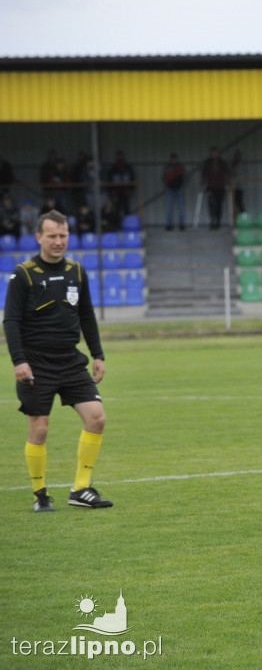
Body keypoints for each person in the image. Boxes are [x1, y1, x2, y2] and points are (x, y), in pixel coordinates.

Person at [3, 211, 114, 512]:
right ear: (38, 237)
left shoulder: (76, 271)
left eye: (62, 235)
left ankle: (81, 488)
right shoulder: (23, 274)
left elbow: (87, 315)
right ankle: (40, 494)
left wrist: (98, 354)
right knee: (39, 429)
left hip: (70, 361)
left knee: (97, 418)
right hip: (35, 364)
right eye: (51, 236)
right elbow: (10, 320)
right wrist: (19, 361)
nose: (58, 241)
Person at [200, 147, 231, 229]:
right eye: (212, 153)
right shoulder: (207, 162)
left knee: (219, 204)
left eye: (215, 153)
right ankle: (212, 220)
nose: (214, 154)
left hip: (220, 187)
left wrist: (227, 184)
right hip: (211, 187)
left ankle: (218, 221)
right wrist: (203, 184)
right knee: (212, 204)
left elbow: (227, 174)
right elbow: (204, 174)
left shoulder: (222, 163)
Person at [105, 151, 135, 218]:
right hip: (116, 192)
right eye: (119, 156)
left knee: (126, 210)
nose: (120, 158)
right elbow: (109, 180)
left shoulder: (128, 167)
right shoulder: (113, 168)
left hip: (125, 192)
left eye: (121, 156)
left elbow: (132, 179)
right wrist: (111, 191)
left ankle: (128, 225)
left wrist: (131, 190)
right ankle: (116, 225)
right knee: (116, 210)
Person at [163, 152, 186, 231]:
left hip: (179, 189)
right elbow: (163, 177)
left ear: (177, 159)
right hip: (170, 190)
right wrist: (166, 186)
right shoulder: (167, 167)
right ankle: (169, 225)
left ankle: (181, 225)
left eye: (175, 158)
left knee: (181, 208)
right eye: (172, 159)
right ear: (170, 159)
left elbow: (185, 177)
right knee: (169, 208)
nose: (174, 160)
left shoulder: (180, 167)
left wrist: (183, 186)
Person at [229, 149, 245, 218]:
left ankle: (244, 219)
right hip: (233, 187)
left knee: (240, 203)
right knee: (233, 204)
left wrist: (235, 180)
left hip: (239, 187)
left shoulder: (241, 164)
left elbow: (240, 175)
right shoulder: (232, 164)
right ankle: (234, 220)